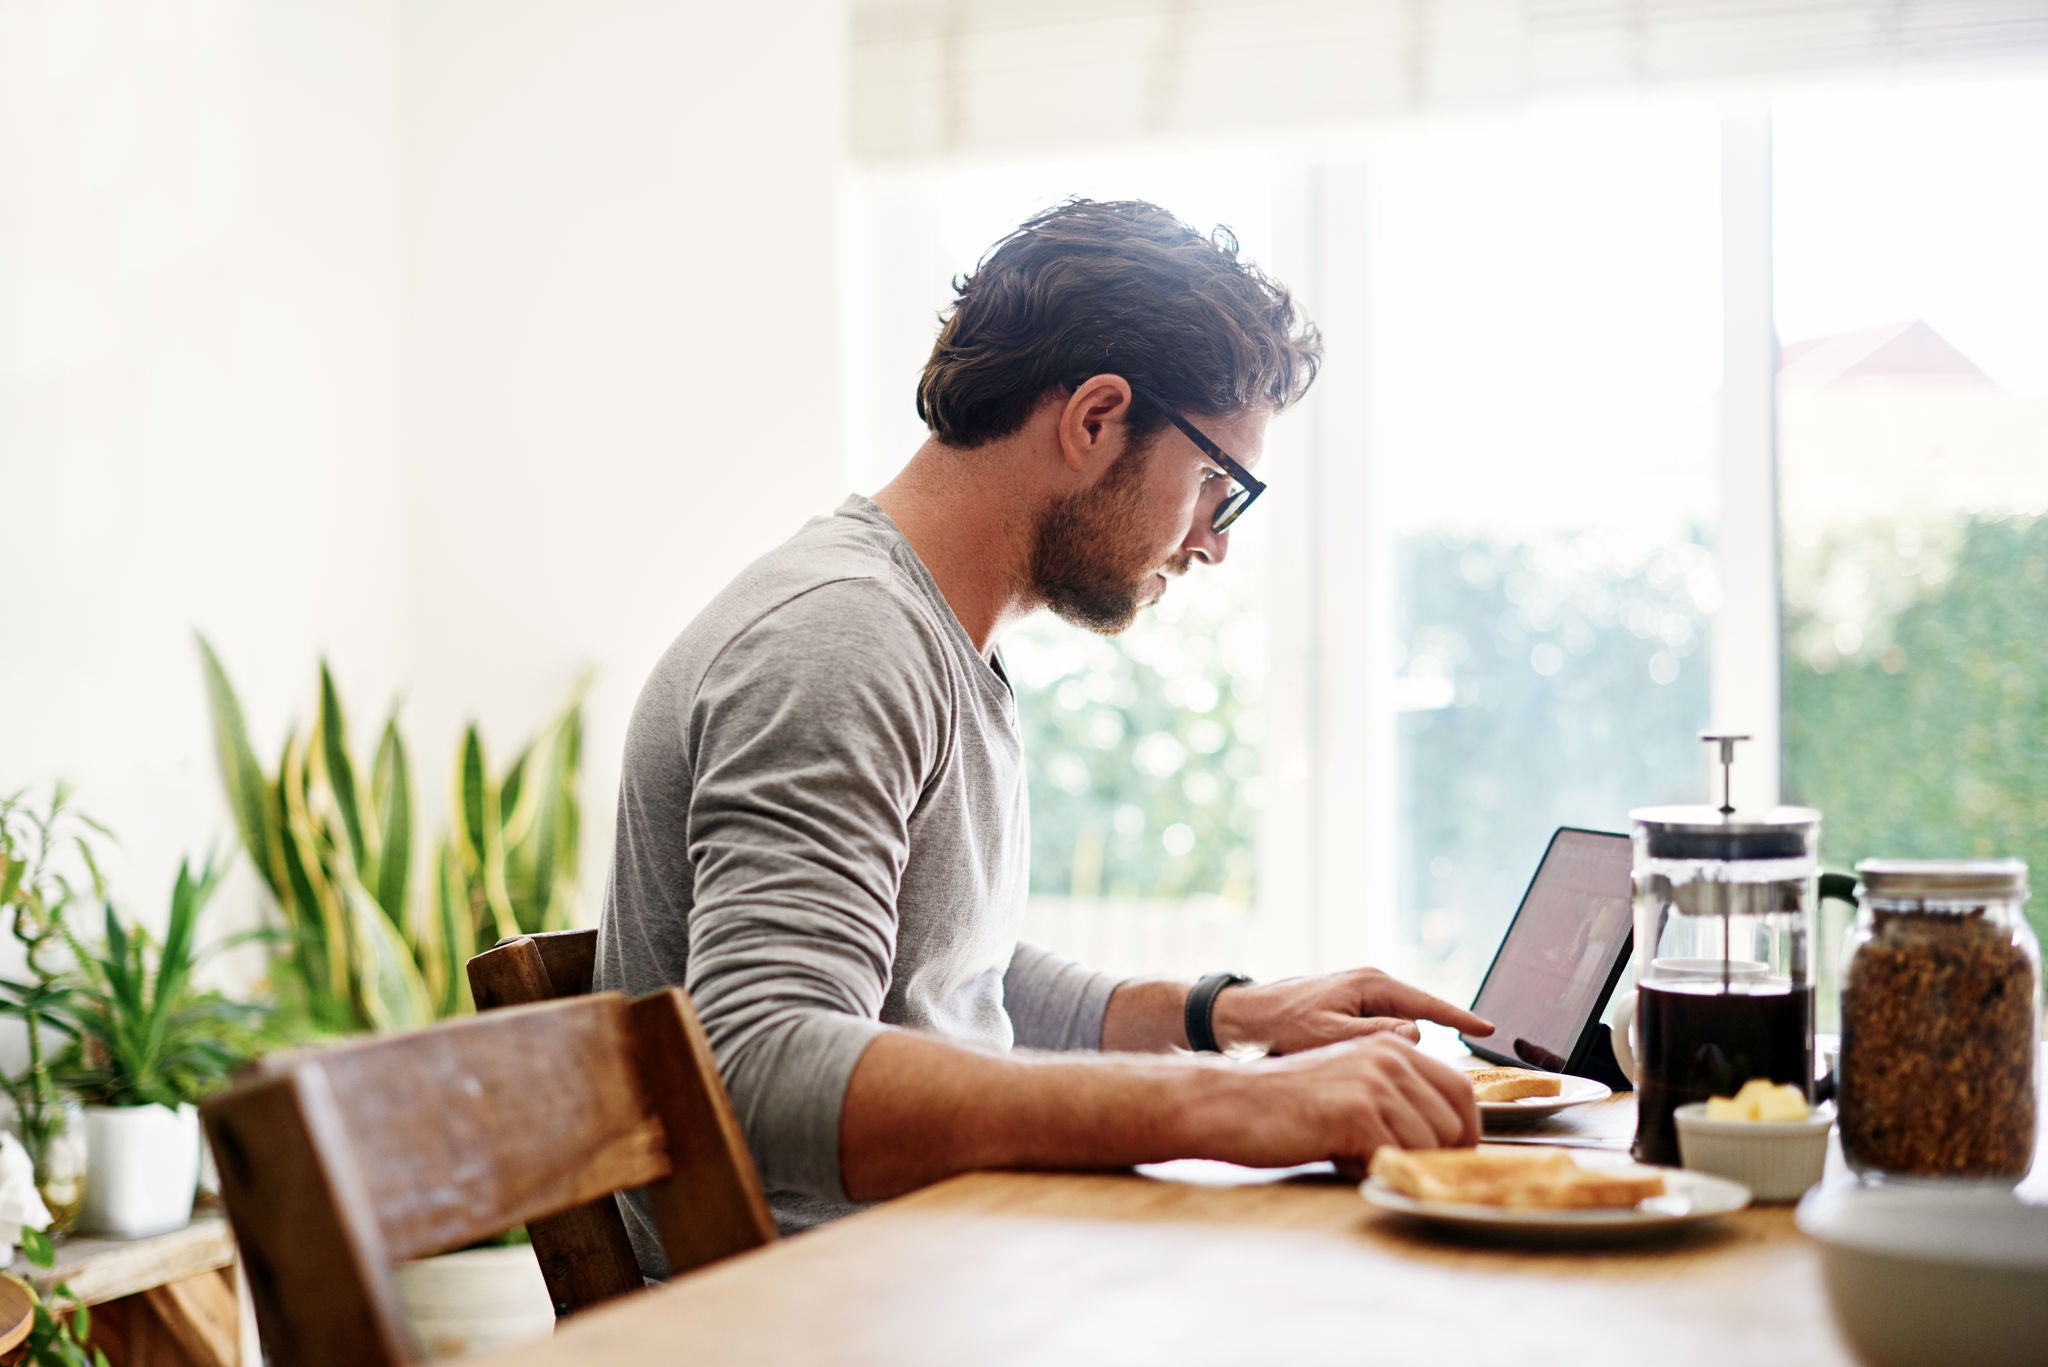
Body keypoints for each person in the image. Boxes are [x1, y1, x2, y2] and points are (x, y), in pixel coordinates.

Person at [596, 199, 1493, 1272]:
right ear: (1094, 417)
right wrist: (1222, 1103)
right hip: (814, 1310)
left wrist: (1227, 1016)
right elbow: (760, 1067)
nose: (1211, 541)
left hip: (931, 1266)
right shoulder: (839, 638)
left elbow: (936, 974)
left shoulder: (930, 635)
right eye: (1217, 481)